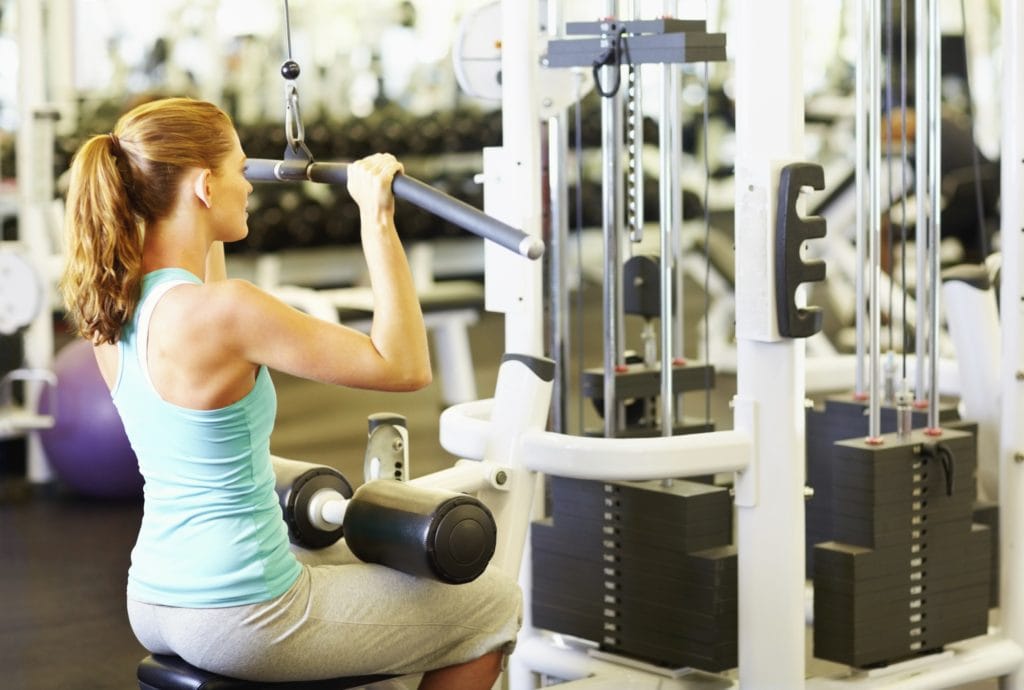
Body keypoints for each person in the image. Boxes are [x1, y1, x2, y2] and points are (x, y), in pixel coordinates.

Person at [59, 97, 521, 689]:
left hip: (154, 598)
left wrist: (212, 216)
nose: (251, 186)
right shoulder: (227, 312)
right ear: (203, 187)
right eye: (239, 170)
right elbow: (403, 366)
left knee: (354, 568)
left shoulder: (117, 308)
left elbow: (204, 275)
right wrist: (376, 218)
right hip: (243, 613)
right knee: (490, 603)